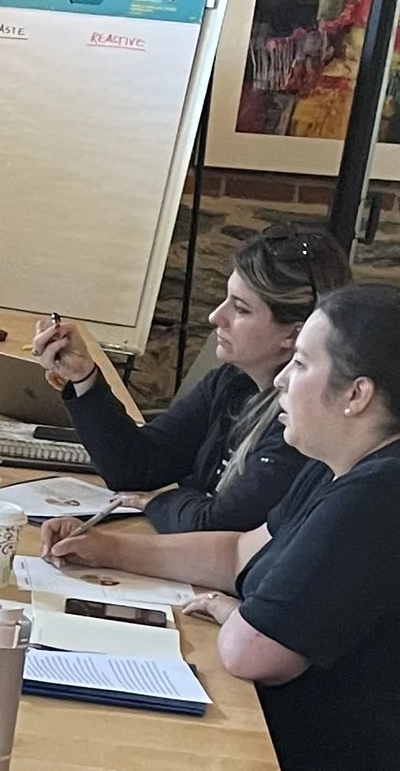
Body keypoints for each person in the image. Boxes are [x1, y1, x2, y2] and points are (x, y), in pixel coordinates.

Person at [52, 284, 400, 771]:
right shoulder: (354, 462)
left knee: (96, 754)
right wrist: (108, 549)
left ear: (356, 394)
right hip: (309, 733)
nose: (279, 380)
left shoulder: (388, 494)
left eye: (300, 363)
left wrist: (239, 617)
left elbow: (252, 656)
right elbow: (238, 551)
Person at [28, 220, 346, 535]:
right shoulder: (232, 382)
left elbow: (221, 524)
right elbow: (136, 467)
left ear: (295, 333)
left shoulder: (301, 421)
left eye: (241, 309)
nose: (215, 317)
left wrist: (161, 502)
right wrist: (84, 376)